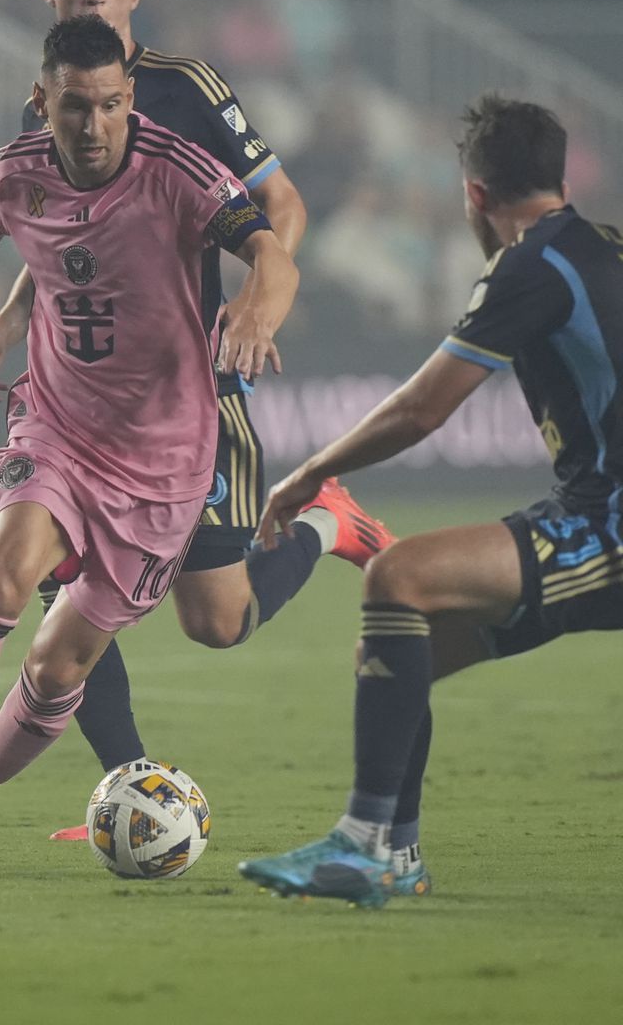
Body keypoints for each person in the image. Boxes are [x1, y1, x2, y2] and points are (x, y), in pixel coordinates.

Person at [0, 0, 396, 839]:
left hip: (185, 392)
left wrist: (258, 299)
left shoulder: (185, 89)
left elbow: (281, 202)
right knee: (59, 581)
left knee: (218, 621)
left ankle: (326, 522)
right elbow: (54, 240)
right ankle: (128, 783)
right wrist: (2, 327)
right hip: (74, 399)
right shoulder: (51, 95)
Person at [0, 15, 299, 869]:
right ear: (42, 100)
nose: (92, 126)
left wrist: (254, 307)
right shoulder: (18, 170)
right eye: (73, 107)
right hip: (60, 423)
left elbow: (272, 252)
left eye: (107, 106)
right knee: (0, 578)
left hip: (166, 462)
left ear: (128, 98)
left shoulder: (179, 170)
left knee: (62, 661)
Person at [239, 93, 623, 906]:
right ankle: (397, 851)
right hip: (586, 512)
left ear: (475, 194)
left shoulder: (532, 264)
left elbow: (420, 408)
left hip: (607, 526)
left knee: (398, 576)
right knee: (405, 651)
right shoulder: (606, 247)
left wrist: (310, 472)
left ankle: (364, 843)